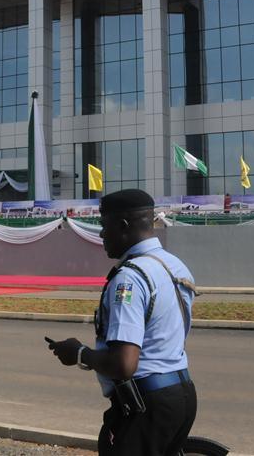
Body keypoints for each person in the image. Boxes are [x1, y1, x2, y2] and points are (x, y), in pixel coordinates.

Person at [47, 189, 197, 456]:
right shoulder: (175, 265)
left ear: (123, 226)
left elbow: (123, 365)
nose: (102, 234)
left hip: (145, 404)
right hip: (182, 394)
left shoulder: (129, 279)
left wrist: (79, 353)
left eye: (104, 226)